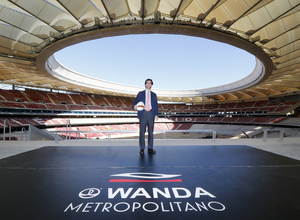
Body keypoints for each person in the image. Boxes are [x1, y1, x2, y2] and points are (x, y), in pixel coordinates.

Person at [133, 79, 159, 155]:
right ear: (145, 84)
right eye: (147, 83)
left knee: (151, 132)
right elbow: (135, 102)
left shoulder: (154, 94)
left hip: (151, 114)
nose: (148, 84)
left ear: (151, 85)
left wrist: (156, 114)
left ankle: (150, 148)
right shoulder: (140, 93)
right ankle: (142, 148)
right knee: (142, 132)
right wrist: (134, 106)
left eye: (150, 83)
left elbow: (156, 105)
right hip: (143, 113)